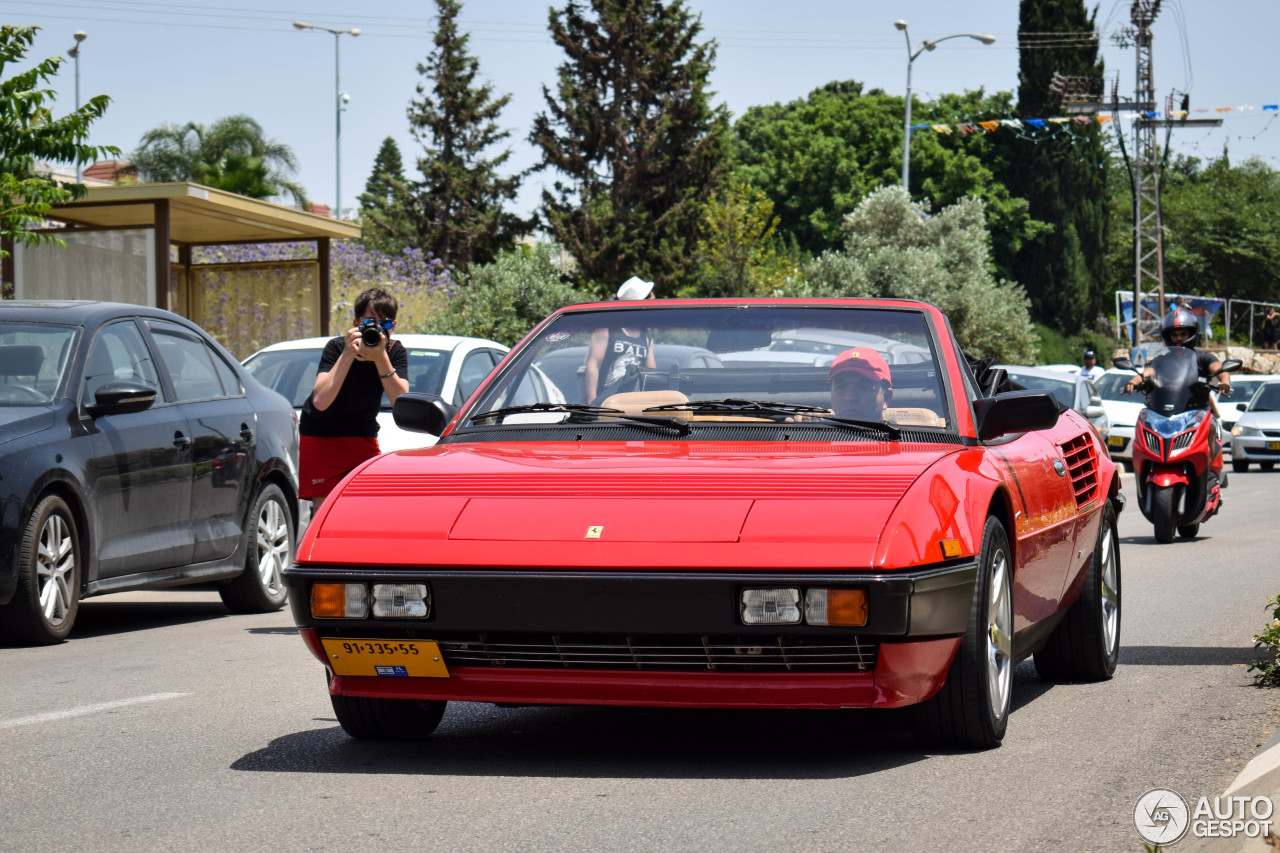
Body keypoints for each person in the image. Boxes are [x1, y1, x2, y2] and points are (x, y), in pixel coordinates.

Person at [298, 287, 410, 510]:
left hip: (362, 434)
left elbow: (402, 403)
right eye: (370, 322)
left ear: (393, 327)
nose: (377, 329)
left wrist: (381, 359)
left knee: (367, 506)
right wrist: (348, 354)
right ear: (355, 324)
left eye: (384, 323)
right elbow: (320, 401)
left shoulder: (394, 351)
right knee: (325, 508)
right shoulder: (337, 347)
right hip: (321, 435)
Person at [1124, 305, 1232, 407]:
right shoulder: (1161, 360)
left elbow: (1220, 369)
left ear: (1191, 334)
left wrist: (1224, 382)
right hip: (1164, 412)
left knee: (1212, 426)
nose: (1179, 338)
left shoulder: (1203, 358)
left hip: (1197, 412)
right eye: (1174, 335)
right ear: (1168, 336)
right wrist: (1133, 382)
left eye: (1183, 334)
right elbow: (1146, 373)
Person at [583, 275, 657, 404]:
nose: (653, 304)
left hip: (636, 404)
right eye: (650, 300)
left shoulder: (646, 335)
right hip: (608, 402)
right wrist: (592, 403)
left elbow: (652, 372)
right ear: (639, 304)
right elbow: (593, 365)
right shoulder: (608, 328)